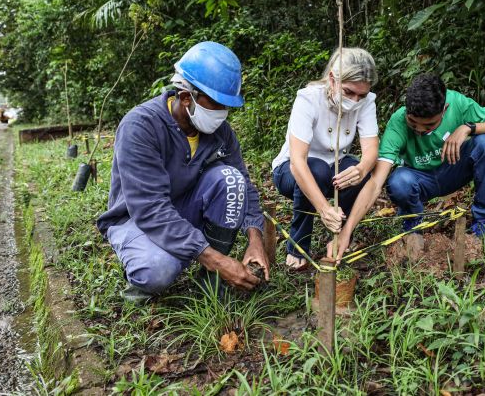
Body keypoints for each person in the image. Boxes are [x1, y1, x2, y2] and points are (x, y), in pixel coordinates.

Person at [97, 41, 269, 301]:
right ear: (187, 97)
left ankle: (209, 281)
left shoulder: (221, 133)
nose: (223, 114)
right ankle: (141, 289)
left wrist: (256, 238)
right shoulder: (140, 126)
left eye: (227, 107)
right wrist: (217, 259)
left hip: (184, 209)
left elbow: (244, 183)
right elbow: (150, 208)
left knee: (232, 181)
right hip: (136, 218)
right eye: (216, 105)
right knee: (159, 270)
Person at [328, 73, 485, 260]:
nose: (420, 130)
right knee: (398, 182)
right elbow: (376, 183)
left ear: (445, 109)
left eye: (429, 125)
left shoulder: (457, 103)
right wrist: (346, 231)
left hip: (453, 169)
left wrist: (468, 128)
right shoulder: (397, 123)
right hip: (420, 179)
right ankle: (413, 223)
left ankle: (483, 223)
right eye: (413, 123)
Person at [272, 48, 379, 270]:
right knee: (317, 168)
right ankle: (298, 244)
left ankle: (342, 236)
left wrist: (360, 170)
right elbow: (297, 162)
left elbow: (370, 153)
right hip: (290, 171)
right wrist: (323, 209)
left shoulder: (367, 102)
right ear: (332, 79)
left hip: (334, 170)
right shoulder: (309, 99)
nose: (356, 100)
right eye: (349, 92)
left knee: (355, 168)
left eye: (362, 95)